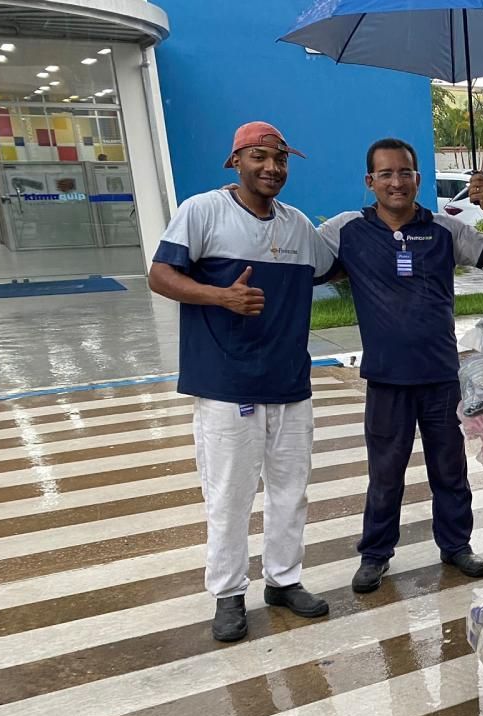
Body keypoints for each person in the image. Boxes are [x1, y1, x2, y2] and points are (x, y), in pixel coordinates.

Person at [148, 122, 338, 643]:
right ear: (236, 162)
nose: (272, 167)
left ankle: (283, 579)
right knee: (229, 496)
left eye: (280, 158)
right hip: (226, 384)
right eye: (260, 156)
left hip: (289, 384)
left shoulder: (297, 225)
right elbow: (159, 275)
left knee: (290, 492)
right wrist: (220, 296)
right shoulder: (202, 211)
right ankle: (229, 594)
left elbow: (334, 267)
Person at [319, 138, 483, 591]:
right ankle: (375, 554)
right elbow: (305, 263)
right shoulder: (346, 230)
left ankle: (456, 545)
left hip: (442, 375)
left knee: (450, 469)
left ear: (418, 179)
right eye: (385, 174)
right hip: (387, 378)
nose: (396, 182)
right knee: (385, 474)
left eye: (404, 172)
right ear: (370, 182)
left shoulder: (444, 229)